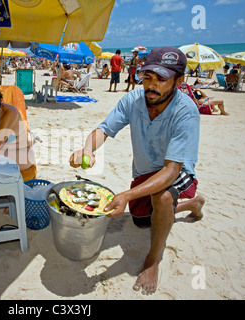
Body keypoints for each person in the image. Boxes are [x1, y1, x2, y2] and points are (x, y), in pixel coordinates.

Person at [69, 47, 205, 295]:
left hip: (175, 170)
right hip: (145, 171)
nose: (151, 86)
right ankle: (192, 204)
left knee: (162, 196)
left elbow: (172, 170)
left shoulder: (186, 112)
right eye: (147, 78)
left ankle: (153, 260)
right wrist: (87, 149)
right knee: (142, 222)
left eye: (161, 80)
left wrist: (126, 195)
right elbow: (104, 129)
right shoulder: (132, 100)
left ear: (179, 80)